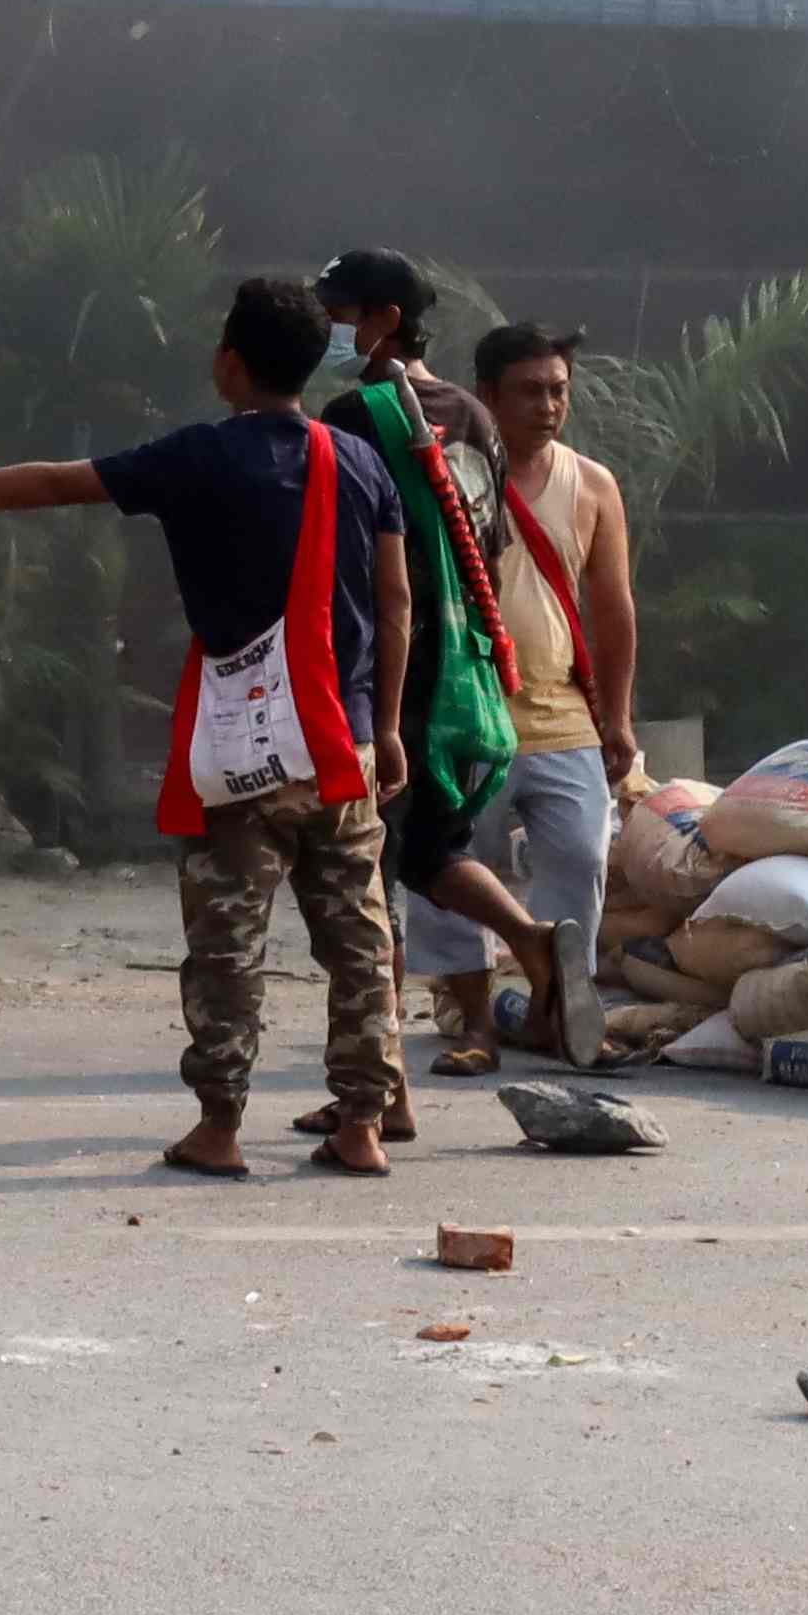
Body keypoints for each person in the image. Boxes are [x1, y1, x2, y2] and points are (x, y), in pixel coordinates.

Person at [0, 272, 415, 1178]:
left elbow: (55, 484)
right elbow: (397, 602)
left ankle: (220, 1126)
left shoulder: (197, 458)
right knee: (358, 939)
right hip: (340, 741)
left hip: (245, 748)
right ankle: (362, 1124)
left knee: (229, 940)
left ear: (229, 361)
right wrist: (385, 727)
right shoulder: (363, 461)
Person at [313, 248, 551, 1111]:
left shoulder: (355, 415)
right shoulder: (474, 418)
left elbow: (352, 558)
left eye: (335, 311)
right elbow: (492, 548)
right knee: (431, 852)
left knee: (366, 877)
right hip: (466, 677)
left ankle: (383, 1093)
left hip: (390, 675)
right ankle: (532, 939)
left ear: (379, 320)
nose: (325, 328)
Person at [470, 319, 645, 1067]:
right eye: (530, 391)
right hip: (469, 714)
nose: (547, 406)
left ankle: (555, 1013)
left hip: (566, 715)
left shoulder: (594, 484)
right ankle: (473, 1023)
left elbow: (613, 608)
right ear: (487, 396)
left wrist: (621, 714)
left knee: (579, 861)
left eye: (558, 391)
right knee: (452, 870)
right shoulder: (452, 476)